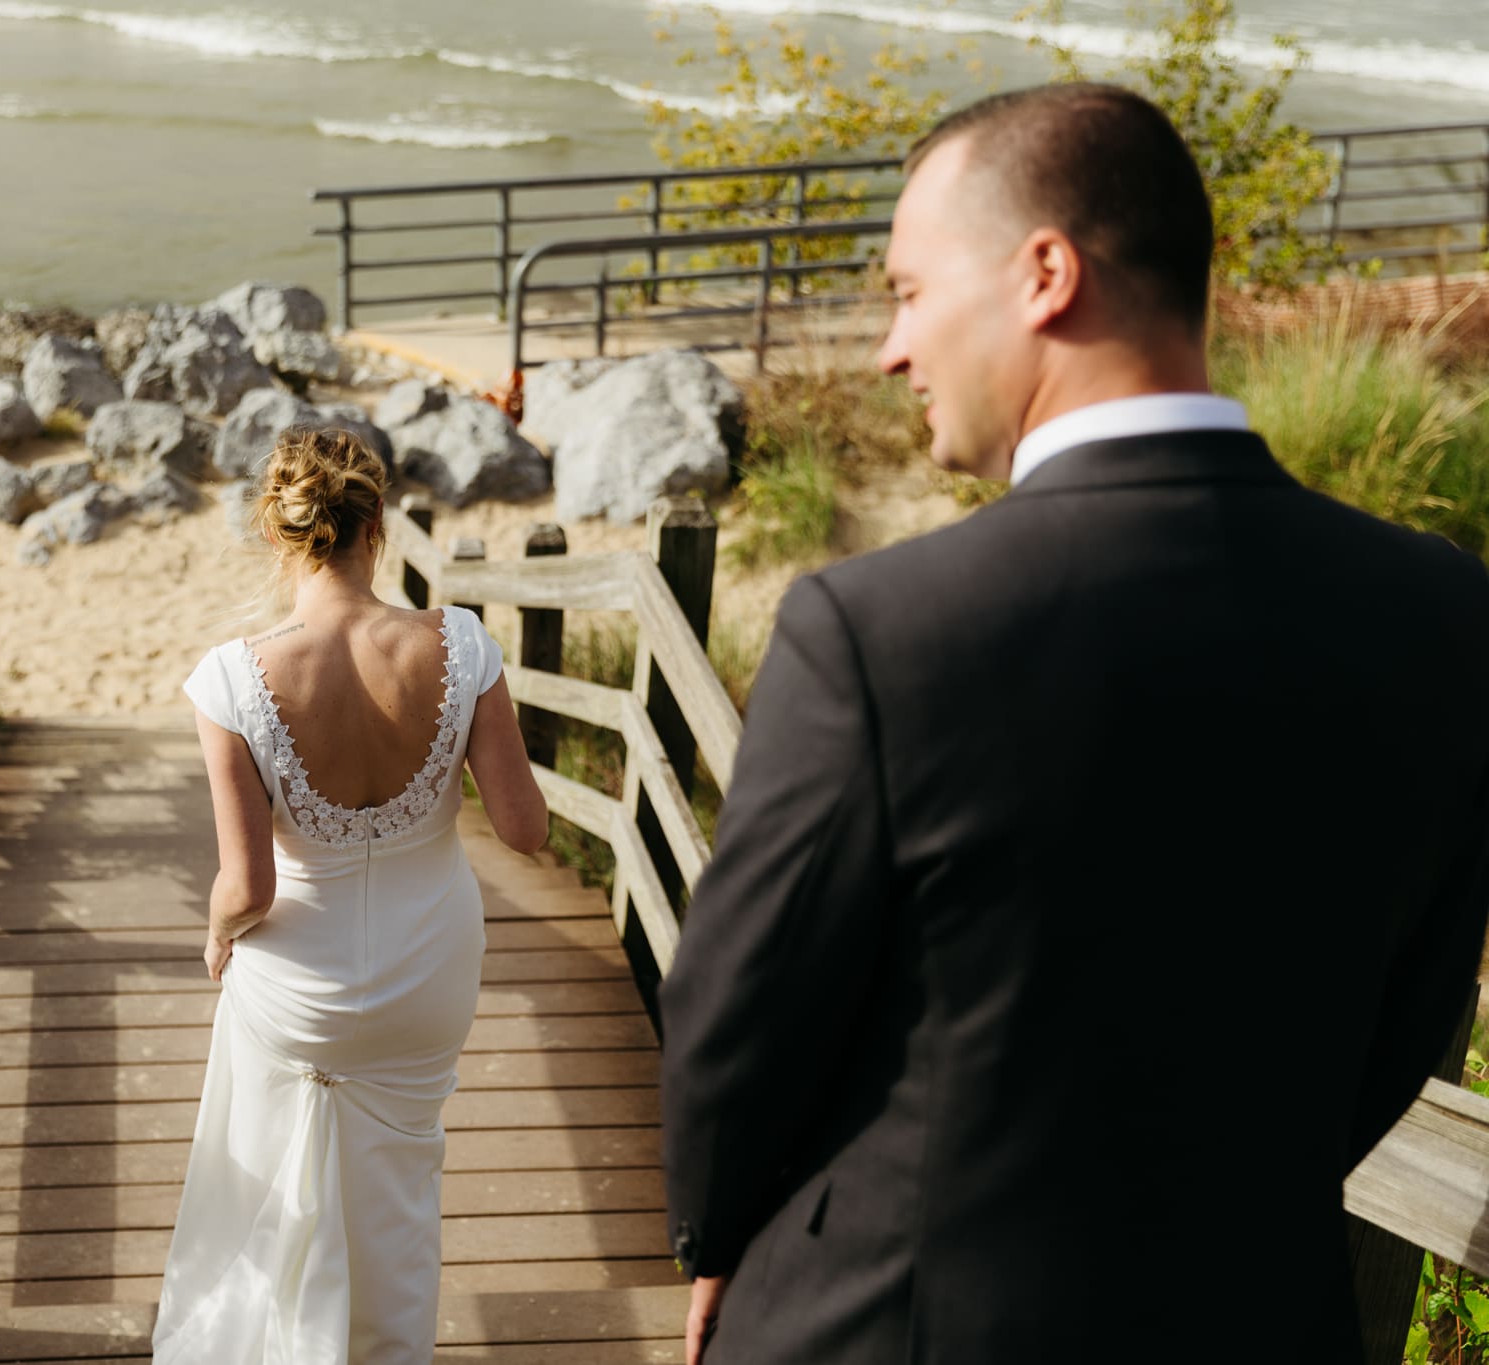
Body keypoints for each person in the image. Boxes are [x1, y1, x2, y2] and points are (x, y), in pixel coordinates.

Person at [658, 82, 1489, 1365]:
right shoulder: (1441, 610)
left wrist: (720, 1238)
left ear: (1044, 272)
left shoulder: (881, 628)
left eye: (907, 291)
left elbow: (738, 1020)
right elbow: (1421, 995)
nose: (889, 349)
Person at [152, 426, 548, 1365]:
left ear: (282, 533)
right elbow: (526, 829)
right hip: (427, 983)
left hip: (302, 988)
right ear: (379, 525)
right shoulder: (459, 644)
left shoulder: (232, 680)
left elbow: (245, 886)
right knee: (399, 1192)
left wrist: (217, 935)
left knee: (262, 1185)